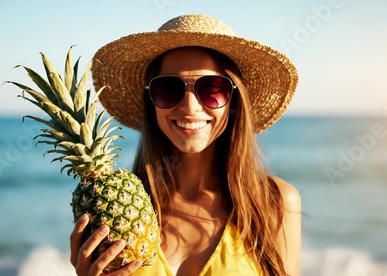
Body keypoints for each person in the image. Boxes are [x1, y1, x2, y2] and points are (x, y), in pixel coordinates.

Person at [70, 14, 301, 276]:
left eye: (211, 89)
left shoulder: (276, 202)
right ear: (151, 102)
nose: (190, 107)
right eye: (168, 88)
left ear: (234, 100)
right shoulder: (113, 210)